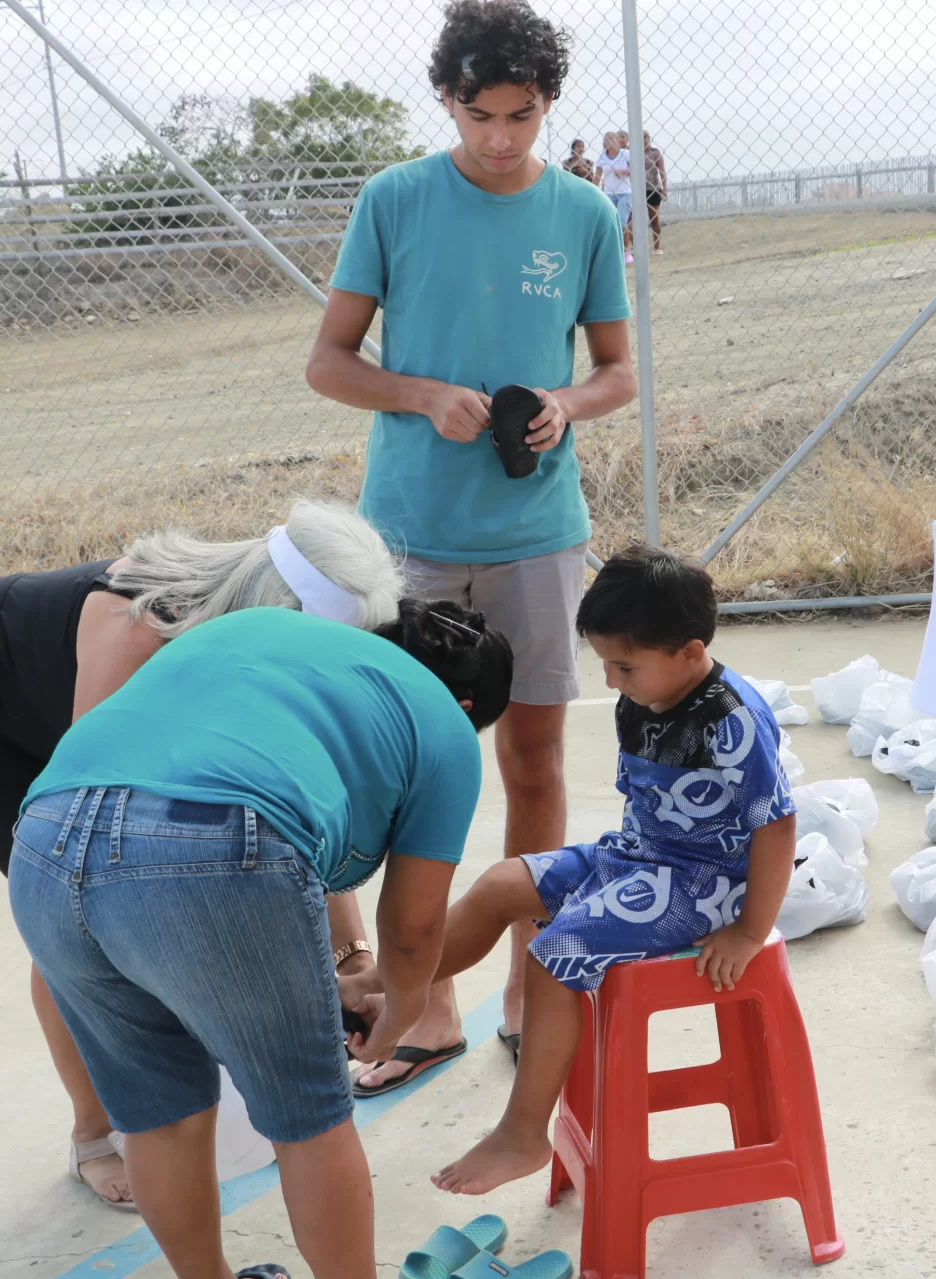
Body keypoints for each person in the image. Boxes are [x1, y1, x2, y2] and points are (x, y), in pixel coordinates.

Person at [305, 0, 637, 1097]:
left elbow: (616, 373)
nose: (502, 137)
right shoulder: (394, 199)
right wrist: (420, 396)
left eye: (523, 114)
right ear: (444, 101)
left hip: (537, 532)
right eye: (481, 113)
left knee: (533, 761)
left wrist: (562, 405)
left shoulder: (583, 210)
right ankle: (423, 998)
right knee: (413, 773)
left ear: (548, 106)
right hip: (405, 538)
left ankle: (530, 981)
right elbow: (329, 362)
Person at [0, 500, 404, 1210]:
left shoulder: (260, 643)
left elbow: (296, 809)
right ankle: (93, 1134)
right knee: (77, 916)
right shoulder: (137, 628)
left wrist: (347, 959)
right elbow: (77, 832)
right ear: (271, 606)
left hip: (54, 690)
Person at [11, 602, 512, 1279]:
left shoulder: (267, 632)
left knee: (161, 1114)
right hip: (212, 845)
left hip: (44, 841)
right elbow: (414, 927)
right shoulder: (441, 720)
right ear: (465, 703)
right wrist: (396, 1014)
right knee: (308, 1114)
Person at [342, 545, 796, 1196]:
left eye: (624, 665)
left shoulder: (731, 721)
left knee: (556, 951)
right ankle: (392, 985)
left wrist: (750, 930)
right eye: (604, 661)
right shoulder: (642, 695)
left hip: (706, 884)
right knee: (502, 883)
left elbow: (775, 824)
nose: (611, 680)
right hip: (637, 855)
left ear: (691, 653)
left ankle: (524, 1132)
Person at [599, 129, 635, 263]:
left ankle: (625, 252)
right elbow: (598, 176)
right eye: (607, 139)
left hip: (624, 192)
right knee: (610, 223)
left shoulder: (625, 154)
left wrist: (624, 171)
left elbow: (636, 167)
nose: (610, 141)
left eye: (612, 138)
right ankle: (613, 251)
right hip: (608, 193)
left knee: (621, 221)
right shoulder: (602, 158)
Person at [642, 130, 668, 254]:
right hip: (636, 189)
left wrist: (665, 189)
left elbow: (662, 172)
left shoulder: (655, 153)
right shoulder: (631, 152)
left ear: (649, 138)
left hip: (653, 188)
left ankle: (656, 246)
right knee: (634, 218)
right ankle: (636, 246)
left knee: (654, 218)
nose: (643, 141)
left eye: (645, 138)